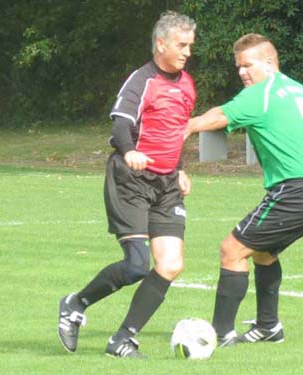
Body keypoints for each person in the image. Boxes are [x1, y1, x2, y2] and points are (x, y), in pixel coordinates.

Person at [185, 33, 303, 346]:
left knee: (232, 249)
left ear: (269, 64)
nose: (242, 72)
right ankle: (269, 327)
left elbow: (219, 115)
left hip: (298, 192)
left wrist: (184, 125)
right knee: (263, 253)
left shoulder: (261, 93)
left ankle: (219, 334)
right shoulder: (298, 90)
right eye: (238, 66)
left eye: (248, 65)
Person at [58, 11, 196, 359]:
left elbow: (176, 131)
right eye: (181, 45)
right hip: (131, 180)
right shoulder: (141, 81)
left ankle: (123, 339)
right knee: (136, 265)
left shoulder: (187, 84)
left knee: (170, 264)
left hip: (167, 185)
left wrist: (179, 168)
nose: (187, 52)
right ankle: (76, 303)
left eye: (190, 46)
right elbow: (121, 124)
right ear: (161, 43)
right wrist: (130, 150)